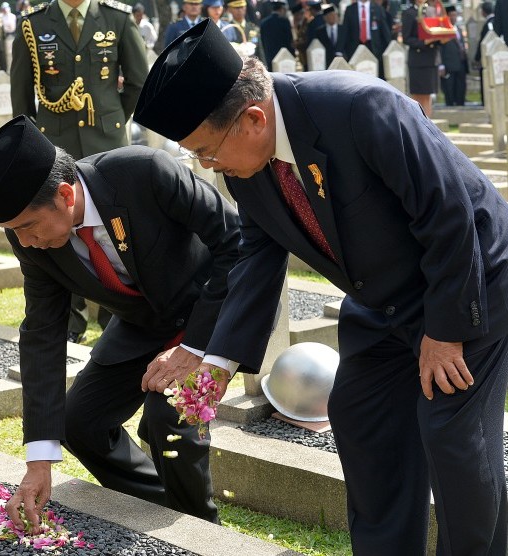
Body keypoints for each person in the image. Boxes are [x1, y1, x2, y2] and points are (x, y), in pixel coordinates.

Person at [135, 19, 508, 555]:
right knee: (361, 420)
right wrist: (216, 363)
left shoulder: (360, 108)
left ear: (253, 119)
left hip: (466, 282)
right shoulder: (251, 164)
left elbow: (448, 216)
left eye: (206, 152)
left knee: (453, 439)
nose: (207, 167)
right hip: (382, 301)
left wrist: (446, 333)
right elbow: (258, 254)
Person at [0, 115, 243, 528]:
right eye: (13, 231)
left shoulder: (144, 172)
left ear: (63, 195)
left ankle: (203, 531)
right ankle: (164, 508)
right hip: (144, 326)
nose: (24, 242)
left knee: (167, 419)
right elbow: (42, 331)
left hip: (211, 311)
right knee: (80, 423)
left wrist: (194, 348)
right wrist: (39, 459)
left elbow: (235, 242)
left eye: (27, 227)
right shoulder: (29, 235)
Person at [10, 0, 149, 343]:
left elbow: (138, 81)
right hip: (54, 146)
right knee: (58, 229)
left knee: (117, 227)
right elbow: (21, 94)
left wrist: (111, 118)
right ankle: (72, 322)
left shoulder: (117, 17)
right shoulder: (33, 23)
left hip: (107, 139)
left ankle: (116, 314)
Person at [401, 0, 443, 117]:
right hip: (418, 60)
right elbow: (406, 38)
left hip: (431, 58)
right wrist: (424, 42)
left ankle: (428, 125)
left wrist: (442, 38)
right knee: (418, 95)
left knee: (428, 95)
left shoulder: (431, 10)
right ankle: (418, 125)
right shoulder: (409, 13)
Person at [343, 0, 391, 76]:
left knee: (373, 74)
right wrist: (340, 50)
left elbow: (385, 32)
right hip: (355, 47)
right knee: (356, 76)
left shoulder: (378, 9)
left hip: (373, 47)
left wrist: (388, 48)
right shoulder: (350, 9)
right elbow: (345, 31)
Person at [439, 4, 467, 106]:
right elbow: (440, 48)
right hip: (449, 64)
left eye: (455, 15)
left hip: (461, 63)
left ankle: (461, 106)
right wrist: (441, 65)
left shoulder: (458, 29)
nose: (453, 17)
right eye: (451, 15)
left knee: (460, 88)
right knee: (449, 89)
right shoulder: (443, 30)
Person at [259, 0, 294, 68]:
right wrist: (292, 54)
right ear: (282, 9)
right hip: (284, 58)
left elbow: (262, 41)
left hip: (269, 57)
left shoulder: (264, 23)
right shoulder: (285, 22)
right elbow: (289, 40)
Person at [476, 1, 496, 104]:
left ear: (483, 11)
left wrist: (477, 57)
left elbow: (484, 42)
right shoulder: (495, 21)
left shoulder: (489, 24)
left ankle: (486, 102)